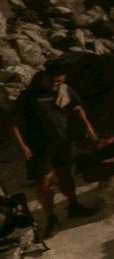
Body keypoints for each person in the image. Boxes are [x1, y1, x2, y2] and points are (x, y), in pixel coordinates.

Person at [5, 70, 99, 238]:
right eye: (51, 81)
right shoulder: (28, 96)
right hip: (38, 147)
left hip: (61, 142)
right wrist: (22, 146)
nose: (54, 85)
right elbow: (13, 123)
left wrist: (88, 128)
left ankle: (74, 206)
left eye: (58, 81)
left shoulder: (65, 90)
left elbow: (77, 109)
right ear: (41, 78)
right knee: (44, 182)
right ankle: (51, 218)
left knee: (65, 175)